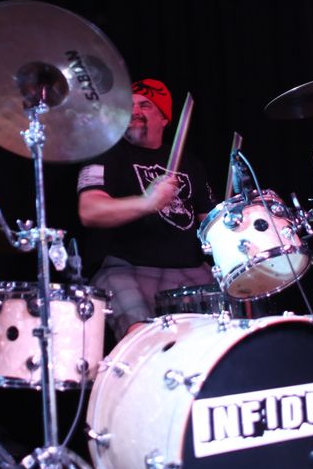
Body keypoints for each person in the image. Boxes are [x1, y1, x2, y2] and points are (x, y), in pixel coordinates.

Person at [76, 79, 217, 339]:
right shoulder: (107, 153)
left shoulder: (190, 163)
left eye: (145, 105)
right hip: (126, 269)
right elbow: (89, 210)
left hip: (193, 268)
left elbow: (210, 221)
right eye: (128, 106)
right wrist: (147, 202)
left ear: (164, 118)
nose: (135, 111)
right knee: (143, 340)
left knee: (228, 331)